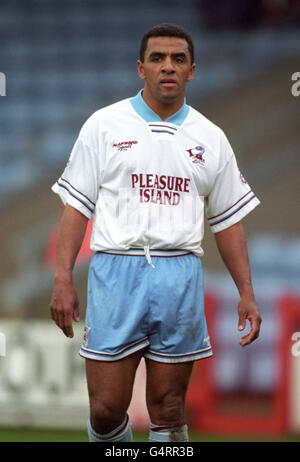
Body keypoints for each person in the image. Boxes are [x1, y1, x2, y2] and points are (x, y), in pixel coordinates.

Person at [50, 23, 262, 443]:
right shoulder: (104, 125)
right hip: (116, 271)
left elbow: (228, 222)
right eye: (158, 59)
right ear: (141, 68)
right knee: (106, 409)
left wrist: (246, 291)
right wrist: (62, 278)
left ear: (192, 71)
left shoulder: (211, 137)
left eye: (178, 59)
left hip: (179, 274)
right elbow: (76, 208)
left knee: (167, 408)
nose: (168, 67)